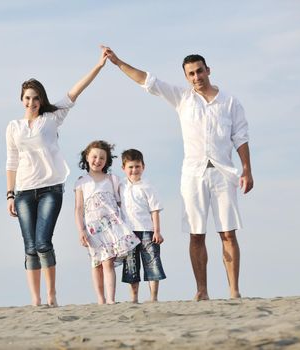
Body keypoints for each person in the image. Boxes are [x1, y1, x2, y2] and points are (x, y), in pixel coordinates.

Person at [103, 46, 254, 300]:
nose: (197, 77)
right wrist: (118, 62)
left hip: (223, 173)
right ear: (186, 77)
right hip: (193, 175)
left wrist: (247, 169)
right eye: (191, 74)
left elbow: (240, 137)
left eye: (200, 71)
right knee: (197, 234)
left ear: (208, 70)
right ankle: (202, 290)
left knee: (228, 233)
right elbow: (147, 80)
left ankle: (234, 290)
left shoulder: (229, 101)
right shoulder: (182, 97)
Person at [6, 49, 107, 307]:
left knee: (42, 241)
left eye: (36, 98)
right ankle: (36, 300)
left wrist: (98, 65)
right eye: (28, 98)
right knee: (30, 246)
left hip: (51, 188)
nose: (32, 102)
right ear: (21, 99)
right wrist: (9, 194)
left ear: (42, 100)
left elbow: (75, 91)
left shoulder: (52, 117)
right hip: (23, 192)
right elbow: (12, 162)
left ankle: (51, 296)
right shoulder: (13, 128)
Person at [74, 140, 140, 304]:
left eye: (102, 158)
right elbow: (78, 209)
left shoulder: (112, 179)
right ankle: (100, 299)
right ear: (87, 157)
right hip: (93, 230)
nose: (98, 160)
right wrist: (81, 230)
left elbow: (121, 203)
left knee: (108, 262)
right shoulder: (82, 182)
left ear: (107, 160)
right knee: (96, 264)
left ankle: (111, 299)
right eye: (94, 156)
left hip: (112, 227)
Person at [119, 149, 166, 303]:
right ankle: (134, 298)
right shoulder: (121, 187)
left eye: (137, 166)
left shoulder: (148, 186)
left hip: (147, 231)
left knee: (152, 262)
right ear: (124, 168)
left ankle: (153, 297)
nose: (134, 170)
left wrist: (157, 231)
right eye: (130, 167)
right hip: (128, 232)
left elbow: (154, 210)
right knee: (131, 265)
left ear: (143, 167)